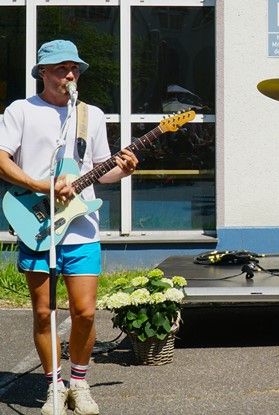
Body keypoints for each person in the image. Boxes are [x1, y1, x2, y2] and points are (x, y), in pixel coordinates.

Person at [0, 40, 138, 415]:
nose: (70, 74)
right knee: (43, 313)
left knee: (86, 312)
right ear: (43, 72)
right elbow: (2, 160)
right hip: (37, 225)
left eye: (75, 68)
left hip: (81, 228)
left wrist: (122, 170)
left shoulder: (91, 115)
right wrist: (41, 185)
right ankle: (54, 386)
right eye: (62, 68)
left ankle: (78, 382)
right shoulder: (21, 110)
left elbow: (100, 169)